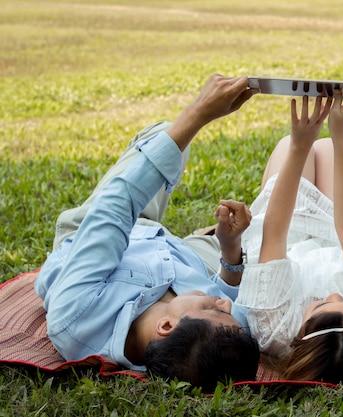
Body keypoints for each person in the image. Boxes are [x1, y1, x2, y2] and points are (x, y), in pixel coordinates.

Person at [34, 74, 261, 391]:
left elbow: (117, 205)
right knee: (264, 237)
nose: (226, 306)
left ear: (166, 325)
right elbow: (231, 294)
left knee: (165, 136)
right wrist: (230, 247)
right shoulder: (222, 332)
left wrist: (198, 113)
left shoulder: (78, 315)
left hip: (102, 229)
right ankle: (211, 236)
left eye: (213, 308)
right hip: (177, 251)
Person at [233, 83, 343, 388]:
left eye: (323, 305)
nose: (334, 295)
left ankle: (297, 147)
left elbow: (275, 234)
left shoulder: (275, 329)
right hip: (340, 244)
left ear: (298, 335)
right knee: (326, 147)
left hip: (288, 238)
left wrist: (300, 146)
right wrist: (340, 133)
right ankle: (323, 142)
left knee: (291, 145)